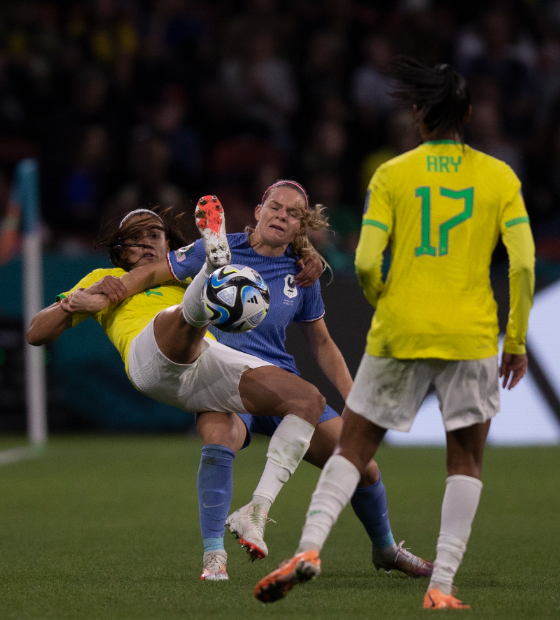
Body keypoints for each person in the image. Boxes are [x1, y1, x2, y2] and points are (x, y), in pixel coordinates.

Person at [254, 58, 535, 610]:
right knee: (465, 461)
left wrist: (388, 301)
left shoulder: (391, 175)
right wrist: (517, 340)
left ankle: (309, 549)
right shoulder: (499, 177)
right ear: (469, 115)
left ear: (416, 116)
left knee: (354, 448)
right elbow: (524, 264)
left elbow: (363, 261)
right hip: (470, 334)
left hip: (398, 329)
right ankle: (442, 586)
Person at [91, 182, 433, 582]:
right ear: (258, 210)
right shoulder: (217, 248)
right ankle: (214, 556)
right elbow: (154, 271)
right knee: (219, 436)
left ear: (301, 226)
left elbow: (321, 343)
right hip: (221, 378)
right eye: (274, 207)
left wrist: (353, 398)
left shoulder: (302, 272)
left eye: (292, 214)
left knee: (362, 466)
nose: (280, 216)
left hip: (279, 384)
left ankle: (386, 548)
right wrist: (109, 294)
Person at [27, 200, 328, 581]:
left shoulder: (180, 274)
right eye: (135, 239)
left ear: (169, 243)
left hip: (206, 360)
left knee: (308, 400)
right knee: (185, 315)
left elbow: (268, 249)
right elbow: (36, 332)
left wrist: (307, 251)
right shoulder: (106, 278)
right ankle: (208, 284)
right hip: (150, 358)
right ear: (121, 251)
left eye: (154, 235)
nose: (147, 243)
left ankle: (233, 537)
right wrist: (72, 303)